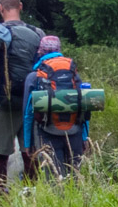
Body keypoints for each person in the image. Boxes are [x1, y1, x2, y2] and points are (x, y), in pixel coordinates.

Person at [0, 0, 43, 191]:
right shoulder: (37, 34)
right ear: (20, 6)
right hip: (31, 103)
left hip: (2, 103)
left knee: (0, 155)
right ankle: (32, 194)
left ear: (0, 8)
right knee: (31, 152)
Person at [22, 34, 90, 176]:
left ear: (40, 51)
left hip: (47, 133)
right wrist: (84, 137)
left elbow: (28, 114)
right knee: (75, 179)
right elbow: (84, 107)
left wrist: (28, 143)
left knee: (54, 180)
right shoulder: (73, 73)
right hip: (74, 132)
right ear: (59, 50)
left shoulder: (34, 77)